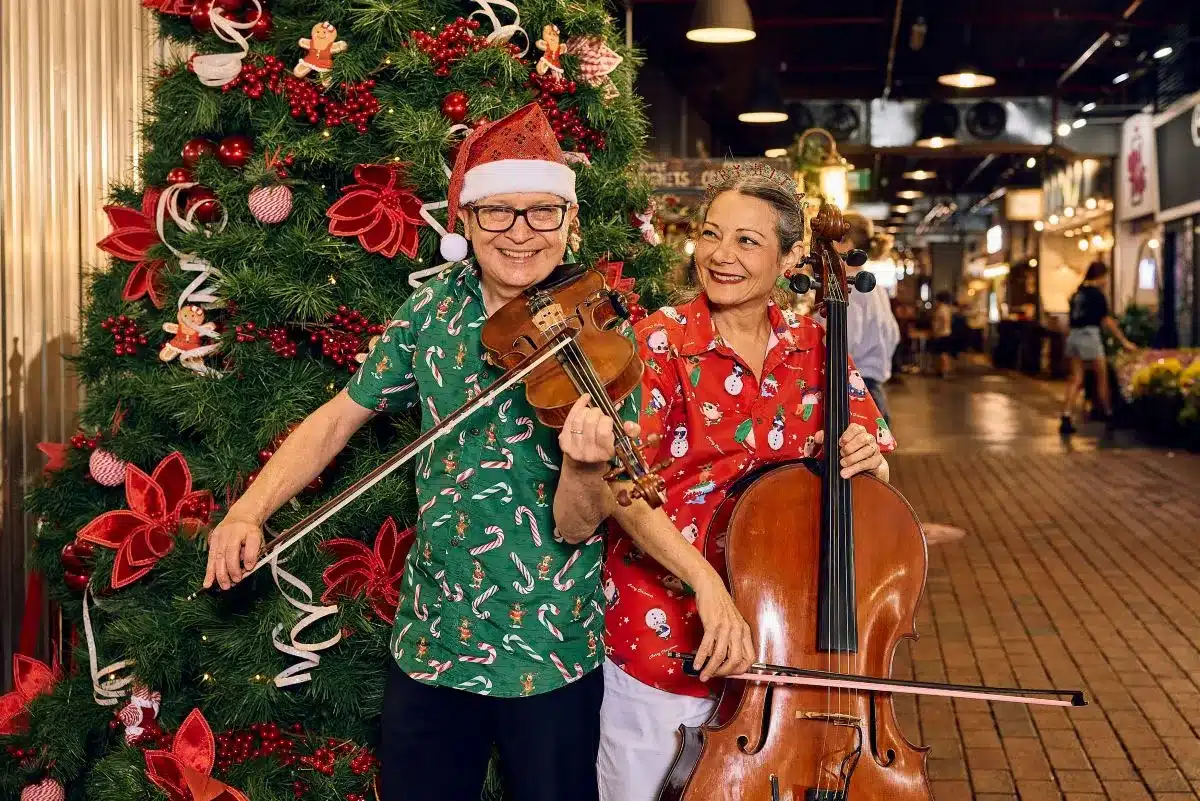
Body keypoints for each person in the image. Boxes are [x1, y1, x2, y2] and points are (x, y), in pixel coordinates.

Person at [202, 104, 639, 801]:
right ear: (465, 220)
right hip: (436, 636)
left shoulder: (601, 337)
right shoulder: (432, 311)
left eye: (543, 212)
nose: (520, 233)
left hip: (549, 648)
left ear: (571, 220)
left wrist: (585, 466)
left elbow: (577, 524)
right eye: (497, 211)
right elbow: (338, 418)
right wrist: (249, 510)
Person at [597, 166, 896, 801]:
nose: (721, 255)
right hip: (666, 637)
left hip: (785, 644)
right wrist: (706, 584)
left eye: (747, 241)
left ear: (790, 258)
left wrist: (868, 459)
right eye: (711, 234)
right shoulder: (656, 342)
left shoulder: (817, 345)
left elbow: (879, 474)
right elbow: (617, 487)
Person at [1060, 261, 1136, 435]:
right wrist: (1124, 341)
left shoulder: (1077, 293)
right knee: (1102, 376)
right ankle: (1109, 415)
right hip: (1089, 336)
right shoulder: (1097, 295)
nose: (1106, 281)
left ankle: (1066, 416)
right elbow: (1106, 320)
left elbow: (1070, 319)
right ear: (1100, 276)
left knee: (1076, 378)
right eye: (1105, 277)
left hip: (1074, 336)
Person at [841, 211, 901, 425]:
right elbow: (893, 335)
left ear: (846, 244)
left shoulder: (850, 288)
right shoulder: (873, 287)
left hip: (854, 391)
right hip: (874, 391)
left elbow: (844, 342)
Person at [931, 290, 955, 377]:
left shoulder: (941, 309)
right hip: (945, 332)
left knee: (942, 353)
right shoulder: (946, 308)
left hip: (942, 333)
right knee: (944, 353)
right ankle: (944, 370)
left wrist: (937, 330)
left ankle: (944, 370)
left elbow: (943, 321)